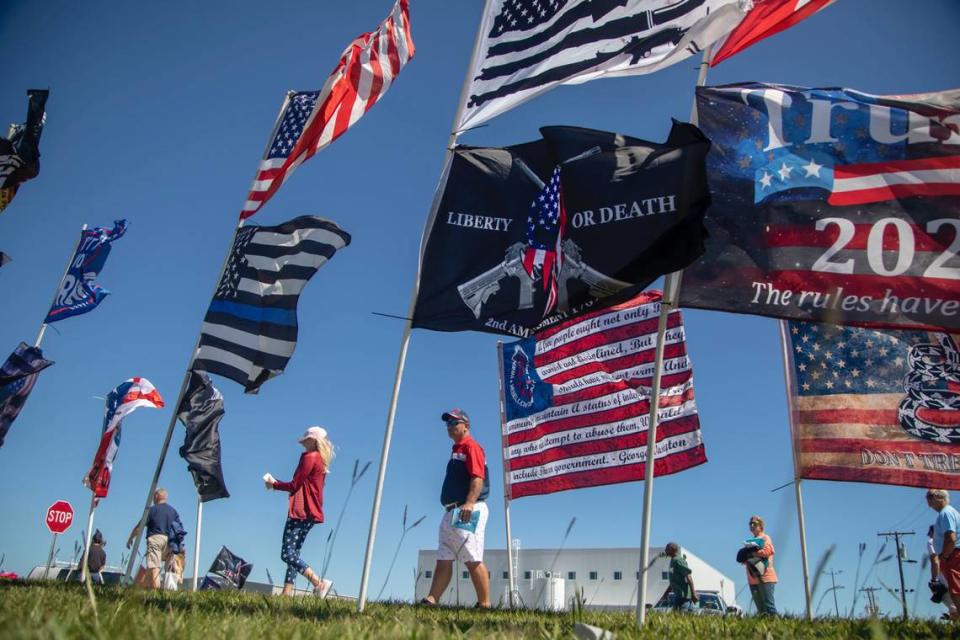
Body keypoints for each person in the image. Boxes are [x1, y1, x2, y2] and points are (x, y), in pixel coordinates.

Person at [420, 408, 491, 608]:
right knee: (444, 556)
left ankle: (484, 604)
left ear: (466, 426)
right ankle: (432, 599)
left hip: (467, 507)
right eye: (448, 423)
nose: (449, 427)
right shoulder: (457, 450)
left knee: (471, 555)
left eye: (454, 423)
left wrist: (469, 502)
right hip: (451, 510)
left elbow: (478, 477)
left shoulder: (472, 447)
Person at [266, 425, 333, 596]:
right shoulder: (321, 460)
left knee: (287, 554)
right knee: (294, 552)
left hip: (301, 510)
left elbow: (295, 485)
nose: (303, 444)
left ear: (313, 440)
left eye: (306, 440)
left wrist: (274, 484)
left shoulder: (310, 457)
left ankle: (318, 582)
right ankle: (287, 592)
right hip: (312, 512)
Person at [127, 488, 185, 589]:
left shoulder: (152, 510)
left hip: (156, 538)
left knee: (154, 567)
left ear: (157, 496)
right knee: (170, 568)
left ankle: (156, 593)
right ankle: (169, 591)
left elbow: (139, 527)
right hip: (171, 542)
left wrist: (130, 538)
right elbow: (179, 529)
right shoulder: (173, 511)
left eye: (154, 496)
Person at [927, 488, 960, 621]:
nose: (928, 501)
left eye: (930, 497)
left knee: (957, 591)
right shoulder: (948, 512)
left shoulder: (945, 513)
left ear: (939, 498)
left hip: (953, 555)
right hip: (952, 554)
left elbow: (950, 537)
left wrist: (945, 557)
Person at [743, 515, 778, 615]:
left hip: (765, 577)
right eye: (750, 524)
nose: (752, 525)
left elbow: (768, 551)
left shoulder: (765, 538)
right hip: (753, 578)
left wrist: (753, 553)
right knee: (760, 609)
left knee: (769, 606)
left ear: (761, 526)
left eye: (755, 524)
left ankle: (775, 625)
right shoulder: (750, 541)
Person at [659, 542, 698, 611]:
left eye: (667, 549)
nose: (665, 550)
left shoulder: (679, 560)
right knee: (675, 616)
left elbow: (688, 577)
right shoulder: (673, 560)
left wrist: (693, 594)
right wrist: (665, 594)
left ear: (672, 549)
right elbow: (673, 580)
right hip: (678, 596)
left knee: (683, 616)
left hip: (684, 597)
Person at [928, 524, 954, 618]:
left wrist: (934, 579)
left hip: (945, 579)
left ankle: (953, 617)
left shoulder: (932, 542)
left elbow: (935, 561)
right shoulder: (951, 540)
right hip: (956, 576)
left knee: (950, 604)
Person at [165, 515, 188, 589]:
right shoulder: (178, 525)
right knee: (174, 573)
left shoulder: (171, 525)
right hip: (177, 554)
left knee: (170, 571)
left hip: (174, 554)